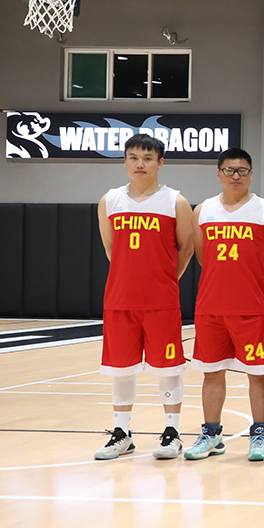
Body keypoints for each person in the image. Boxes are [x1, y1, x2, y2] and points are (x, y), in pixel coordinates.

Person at [93, 134, 195, 460]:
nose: (140, 164)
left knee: (169, 368)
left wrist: (164, 279)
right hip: (120, 299)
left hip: (161, 300)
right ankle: (122, 433)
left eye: (148, 158)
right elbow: (111, 248)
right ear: (125, 160)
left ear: (160, 162)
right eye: (134, 157)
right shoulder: (109, 200)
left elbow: (186, 248)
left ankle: (173, 433)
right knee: (120, 368)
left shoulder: (175, 201)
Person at [185, 148, 264, 461]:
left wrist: (251, 275)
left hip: (250, 307)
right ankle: (211, 434)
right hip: (211, 306)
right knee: (211, 373)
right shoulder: (203, 210)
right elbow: (203, 257)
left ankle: (259, 433)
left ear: (251, 174)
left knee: (257, 373)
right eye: (229, 170)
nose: (235, 175)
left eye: (242, 170)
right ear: (219, 174)